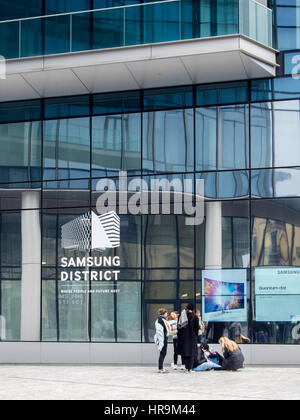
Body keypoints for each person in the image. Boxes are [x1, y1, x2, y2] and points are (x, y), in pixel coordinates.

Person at [177, 304, 200, 373]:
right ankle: (190, 369)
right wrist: (195, 335)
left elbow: (178, 328)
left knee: (185, 353)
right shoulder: (195, 317)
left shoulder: (181, 316)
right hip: (192, 338)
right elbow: (197, 328)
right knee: (192, 353)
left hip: (183, 338)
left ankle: (186, 368)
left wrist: (180, 336)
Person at [154, 308, 171, 373]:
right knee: (162, 353)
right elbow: (159, 332)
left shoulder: (163, 320)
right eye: (166, 313)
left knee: (163, 353)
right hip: (162, 339)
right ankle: (160, 368)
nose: (167, 314)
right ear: (164, 313)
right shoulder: (160, 320)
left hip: (164, 338)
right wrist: (161, 342)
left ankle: (161, 367)